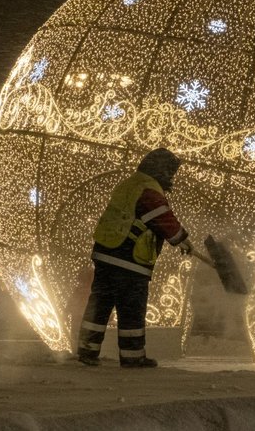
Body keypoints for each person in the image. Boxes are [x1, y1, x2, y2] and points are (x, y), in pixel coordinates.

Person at [77, 148, 192, 368]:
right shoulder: (148, 189)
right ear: (161, 169)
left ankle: (87, 351)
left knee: (100, 304)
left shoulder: (129, 184)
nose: (171, 178)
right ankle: (133, 356)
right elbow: (161, 218)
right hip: (128, 259)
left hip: (106, 253)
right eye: (170, 172)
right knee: (131, 308)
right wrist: (181, 239)